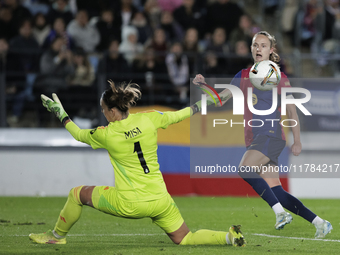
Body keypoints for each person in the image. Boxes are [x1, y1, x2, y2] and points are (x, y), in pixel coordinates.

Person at [28, 81, 246, 247]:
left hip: (130, 202)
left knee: (77, 194)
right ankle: (228, 237)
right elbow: (181, 114)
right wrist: (208, 101)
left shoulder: (108, 134)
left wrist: (60, 113)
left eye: (104, 110)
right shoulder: (148, 118)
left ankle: (56, 237)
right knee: (185, 238)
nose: (103, 114)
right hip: (161, 199)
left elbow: (78, 134)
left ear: (112, 112)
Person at [193, 31, 333, 238]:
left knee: (245, 168)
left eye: (263, 45)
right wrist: (203, 86)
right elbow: (220, 99)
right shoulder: (242, 75)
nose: (258, 48)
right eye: (255, 45)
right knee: (277, 192)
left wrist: (297, 141)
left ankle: (280, 214)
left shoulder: (279, 77)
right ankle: (320, 223)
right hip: (255, 138)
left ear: (271, 50)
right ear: (251, 49)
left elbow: (292, 110)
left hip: (271, 134)